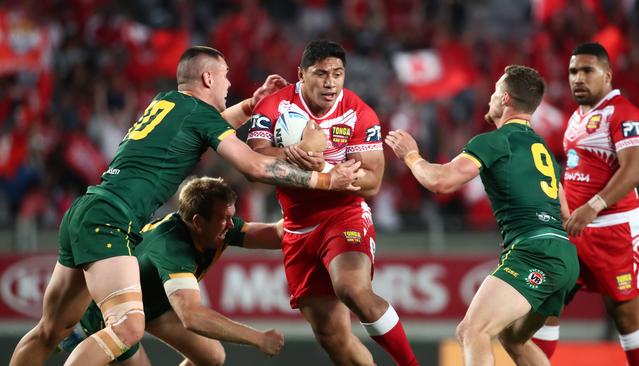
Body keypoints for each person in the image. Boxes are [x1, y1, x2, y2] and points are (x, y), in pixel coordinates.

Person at [10, 45, 361, 366]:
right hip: (111, 219)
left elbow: (208, 130)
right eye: (224, 77)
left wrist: (253, 105)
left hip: (88, 208)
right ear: (208, 77)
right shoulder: (197, 114)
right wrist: (326, 180)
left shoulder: (168, 103)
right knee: (128, 329)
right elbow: (255, 166)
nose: (228, 85)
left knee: (49, 331)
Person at [386, 65, 579, 365]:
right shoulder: (542, 150)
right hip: (564, 256)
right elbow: (565, 213)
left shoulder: (494, 141)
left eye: (494, 91)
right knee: (513, 338)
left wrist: (411, 155)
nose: (489, 98)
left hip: (533, 253)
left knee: (471, 330)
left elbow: (440, 181)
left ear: (504, 99)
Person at [247, 40, 419, 366]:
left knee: (352, 288)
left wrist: (322, 168)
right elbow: (255, 161)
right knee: (332, 337)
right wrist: (296, 156)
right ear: (301, 74)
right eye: (321, 73)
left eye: (338, 74)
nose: (330, 83)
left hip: (344, 213)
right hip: (297, 226)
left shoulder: (358, 113)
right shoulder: (275, 106)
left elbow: (372, 182)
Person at [59, 176, 285, 365]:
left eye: (231, 216)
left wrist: (313, 216)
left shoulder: (215, 228)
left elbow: (275, 234)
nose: (232, 225)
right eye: (224, 219)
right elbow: (192, 316)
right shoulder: (172, 248)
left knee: (212, 356)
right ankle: (83, 330)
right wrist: (259, 338)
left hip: (151, 303)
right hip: (114, 311)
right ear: (197, 222)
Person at [531, 42, 639, 365]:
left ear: (607, 75)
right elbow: (575, 170)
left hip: (616, 233)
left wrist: (593, 206)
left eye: (586, 70)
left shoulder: (624, 113)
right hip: (574, 232)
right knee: (545, 305)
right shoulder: (578, 117)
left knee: (625, 317)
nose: (577, 78)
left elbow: (635, 169)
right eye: (572, 72)